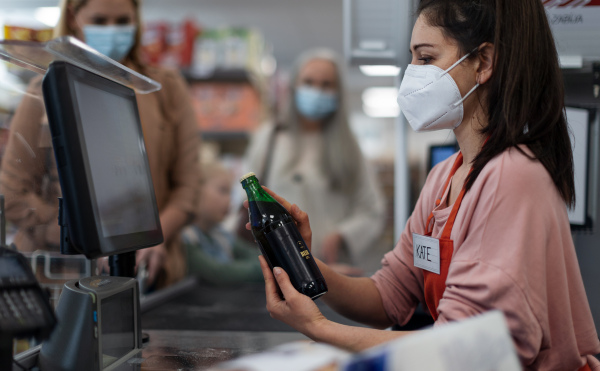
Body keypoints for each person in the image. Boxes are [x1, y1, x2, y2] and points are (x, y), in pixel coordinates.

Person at [253, 0, 600, 369]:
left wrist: (319, 329)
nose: (412, 74)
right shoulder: (445, 176)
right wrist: (303, 263)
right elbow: (389, 295)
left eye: (425, 58)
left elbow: (472, 349)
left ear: (483, 62)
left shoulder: (511, 177)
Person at [0, 0, 200, 289]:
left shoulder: (165, 87)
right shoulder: (46, 89)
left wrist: (151, 237)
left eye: (122, 21)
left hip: (151, 274)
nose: (112, 30)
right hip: (66, 276)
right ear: (73, 17)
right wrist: (86, 233)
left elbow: (188, 186)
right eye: (99, 20)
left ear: (137, 20)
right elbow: (13, 192)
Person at [239, 48, 385, 272]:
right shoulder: (269, 138)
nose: (316, 90)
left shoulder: (349, 148)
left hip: (331, 271)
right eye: (308, 82)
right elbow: (242, 197)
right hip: (275, 269)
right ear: (294, 86)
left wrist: (343, 234)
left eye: (326, 84)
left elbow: (372, 210)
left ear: (338, 92)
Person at [181, 161, 263, 285]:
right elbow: (218, 272)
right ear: (196, 190)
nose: (230, 200)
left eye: (231, 193)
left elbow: (255, 254)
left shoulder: (220, 234)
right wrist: (267, 268)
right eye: (223, 190)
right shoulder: (185, 238)